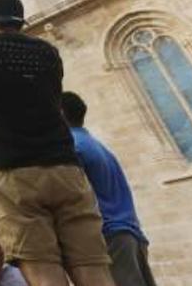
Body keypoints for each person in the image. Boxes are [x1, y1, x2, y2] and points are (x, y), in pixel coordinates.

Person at [0, 0, 114, 286]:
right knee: (92, 266)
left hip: (14, 172)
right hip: (66, 168)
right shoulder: (48, 52)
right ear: (21, 20)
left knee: (42, 271)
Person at [61, 92, 156, 286]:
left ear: (60, 113)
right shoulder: (97, 145)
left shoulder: (72, 147)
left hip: (110, 238)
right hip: (130, 234)